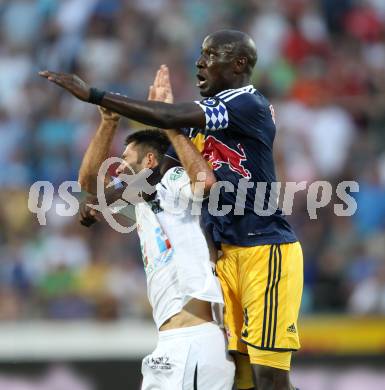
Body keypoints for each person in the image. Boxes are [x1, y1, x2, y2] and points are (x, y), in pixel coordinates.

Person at [40, 29, 303, 390]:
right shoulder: (185, 143)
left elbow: (187, 155)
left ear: (239, 63)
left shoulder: (247, 103)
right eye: (201, 53)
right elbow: (111, 185)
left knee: (269, 377)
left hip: (264, 246)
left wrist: (96, 95)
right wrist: (109, 130)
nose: (200, 62)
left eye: (212, 55)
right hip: (227, 256)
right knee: (245, 380)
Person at [77, 103, 235, 389]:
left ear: (149, 160)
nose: (119, 166)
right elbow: (89, 184)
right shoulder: (141, 203)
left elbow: (204, 183)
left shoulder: (172, 183)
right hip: (169, 343)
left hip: (193, 341)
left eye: (126, 158)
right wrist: (108, 123)